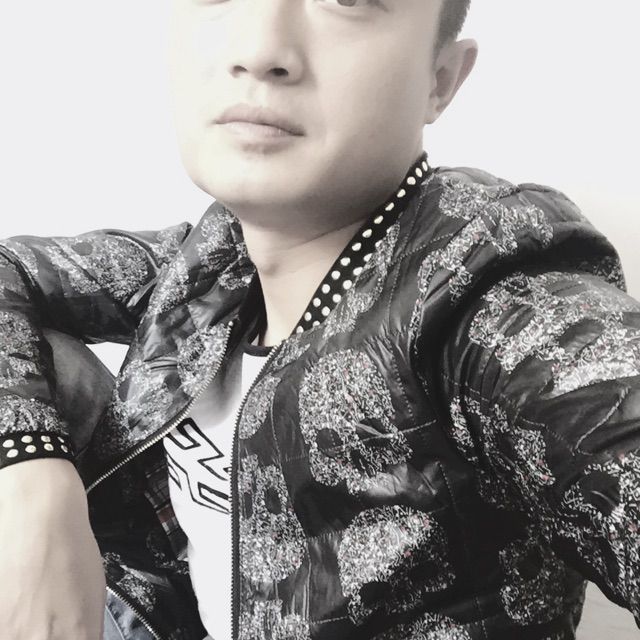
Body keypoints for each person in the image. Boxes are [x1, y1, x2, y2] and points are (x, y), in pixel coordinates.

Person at [0, 0, 639, 639]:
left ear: (440, 78)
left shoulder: (493, 294)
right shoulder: (210, 265)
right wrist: (34, 486)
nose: (258, 49)